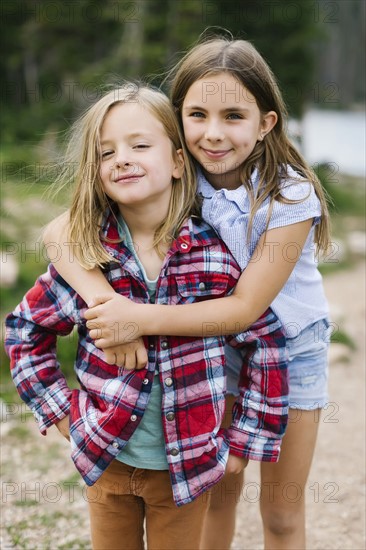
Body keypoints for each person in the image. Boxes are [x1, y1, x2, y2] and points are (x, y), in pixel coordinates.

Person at [43, 35, 331, 549]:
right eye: (197, 115)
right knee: (214, 493)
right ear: (179, 125)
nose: (213, 134)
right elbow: (57, 233)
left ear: (266, 123)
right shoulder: (178, 174)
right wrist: (105, 305)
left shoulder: (290, 195)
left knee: (282, 512)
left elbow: (245, 309)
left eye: (233, 117)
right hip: (208, 351)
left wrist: (140, 319)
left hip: (290, 349)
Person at [5, 83, 288, 550]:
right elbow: (24, 329)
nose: (122, 158)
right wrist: (62, 414)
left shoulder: (211, 258)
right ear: (95, 173)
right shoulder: (88, 258)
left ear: (178, 162)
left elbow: (264, 340)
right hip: (106, 454)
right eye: (106, 152)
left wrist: (246, 438)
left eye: (139, 145)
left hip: (189, 464)